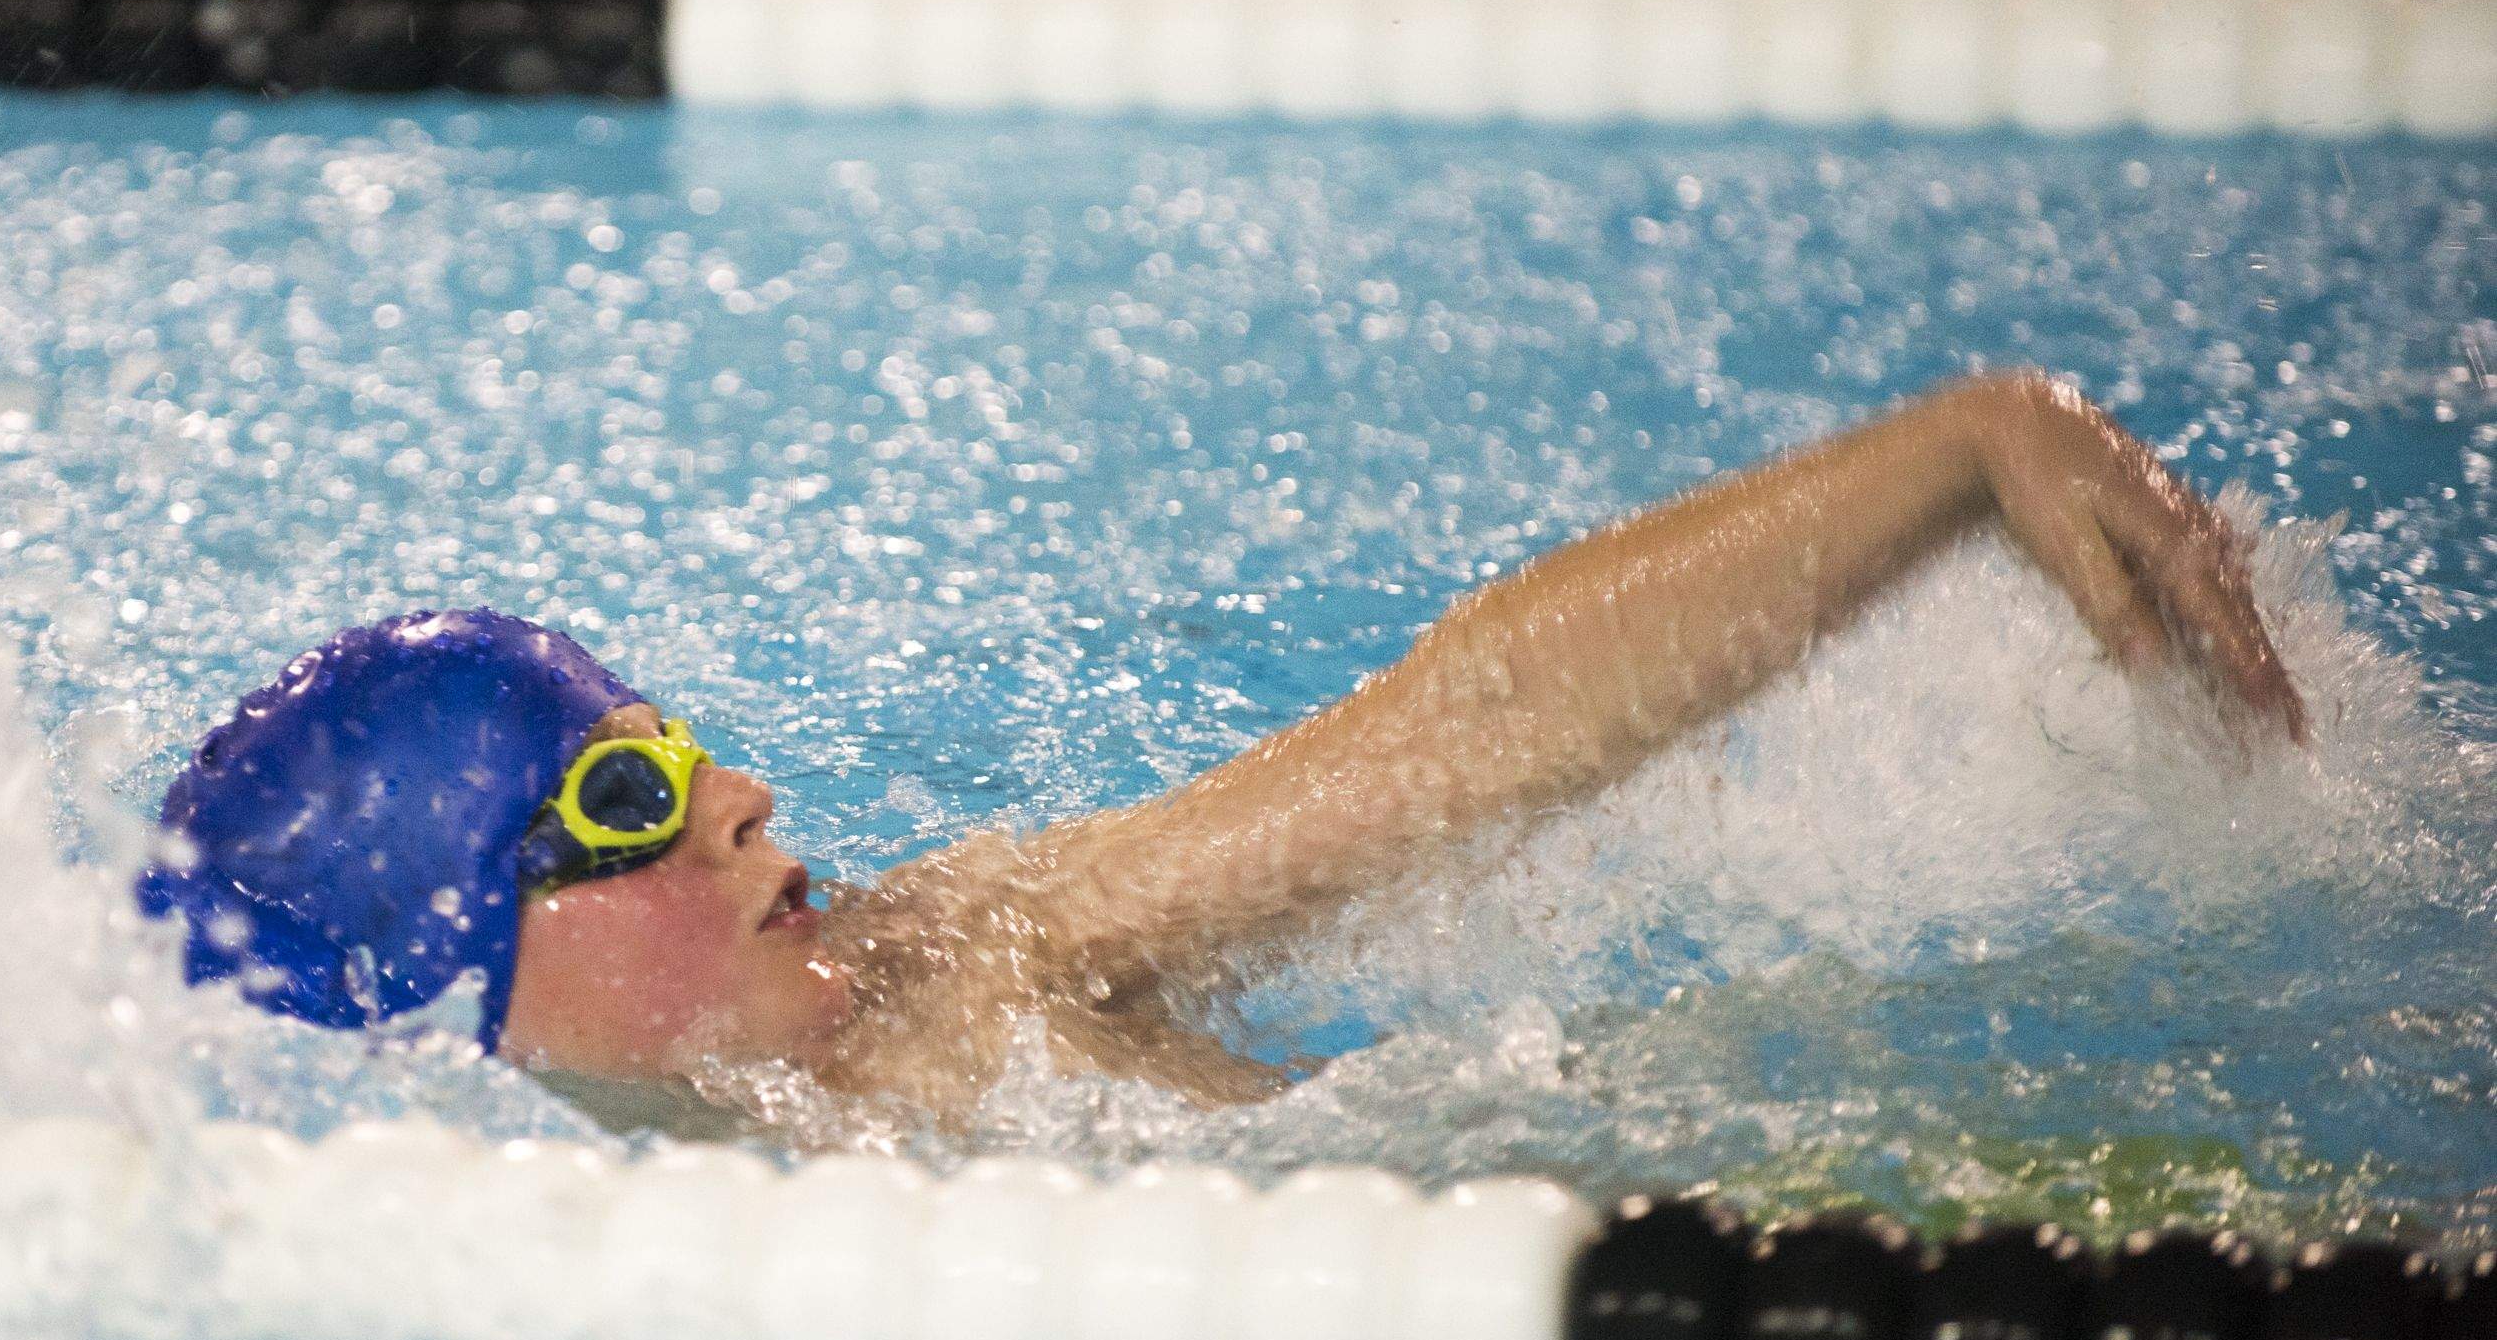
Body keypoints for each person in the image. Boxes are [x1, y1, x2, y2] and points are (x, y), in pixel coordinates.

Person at [140, 370, 2308, 1135]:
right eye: (626, 800)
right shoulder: (556, 1223)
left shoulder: (956, 965)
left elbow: (1447, 740)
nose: (741, 798)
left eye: (680, 746)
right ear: (461, 967)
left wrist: (1951, 451)